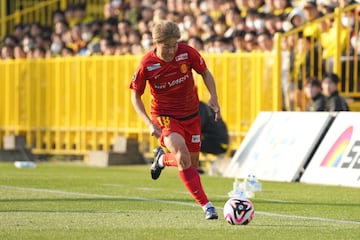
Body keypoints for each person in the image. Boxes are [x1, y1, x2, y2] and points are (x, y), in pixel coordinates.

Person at [129, 20, 221, 220]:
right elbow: (135, 96)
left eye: (174, 45)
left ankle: (161, 159)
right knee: (181, 153)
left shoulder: (187, 52)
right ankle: (207, 206)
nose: (171, 50)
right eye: (166, 46)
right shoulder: (147, 64)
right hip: (165, 117)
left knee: (191, 164)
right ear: (156, 43)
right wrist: (149, 123)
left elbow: (205, 72)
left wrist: (213, 97)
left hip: (191, 115)